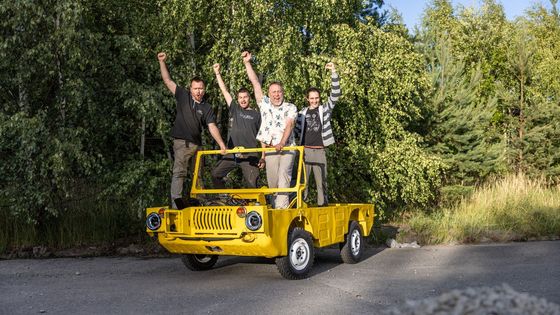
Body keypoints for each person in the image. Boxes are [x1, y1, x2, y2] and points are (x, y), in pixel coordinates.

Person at [157, 52, 227, 209]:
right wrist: (162, 62)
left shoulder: (206, 107)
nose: (198, 91)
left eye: (201, 88)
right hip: (182, 143)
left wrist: (222, 144)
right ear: (191, 88)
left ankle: (199, 204)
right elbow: (167, 81)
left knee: (198, 176)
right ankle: (176, 205)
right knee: (179, 173)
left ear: (204, 89)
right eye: (195, 88)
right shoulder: (183, 96)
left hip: (197, 145)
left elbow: (212, 126)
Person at [242, 51, 298, 209]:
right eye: (273, 92)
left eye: (279, 92)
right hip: (271, 149)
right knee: (273, 183)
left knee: (283, 179)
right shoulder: (264, 104)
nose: (277, 95)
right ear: (269, 94)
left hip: (287, 148)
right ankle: (276, 208)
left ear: (283, 93)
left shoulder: (290, 107)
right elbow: (255, 83)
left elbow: (289, 125)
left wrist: (282, 142)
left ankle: (282, 212)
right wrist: (247, 63)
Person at [210, 63, 264, 189]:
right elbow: (224, 91)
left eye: (245, 97)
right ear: (237, 99)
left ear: (249, 98)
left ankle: (253, 205)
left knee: (252, 184)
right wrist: (217, 73)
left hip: (249, 154)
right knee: (215, 174)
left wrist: (263, 156)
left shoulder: (257, 114)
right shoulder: (234, 108)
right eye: (240, 98)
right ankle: (223, 199)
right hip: (232, 153)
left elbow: (263, 136)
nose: (243, 100)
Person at [295, 62, 341, 207]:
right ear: (307, 99)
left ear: (319, 98)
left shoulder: (324, 110)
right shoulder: (301, 113)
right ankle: (303, 206)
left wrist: (333, 72)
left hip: (319, 150)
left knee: (321, 182)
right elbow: (295, 132)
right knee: (304, 182)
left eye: (317, 98)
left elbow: (335, 94)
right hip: (306, 151)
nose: (314, 100)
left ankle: (322, 205)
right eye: (312, 98)